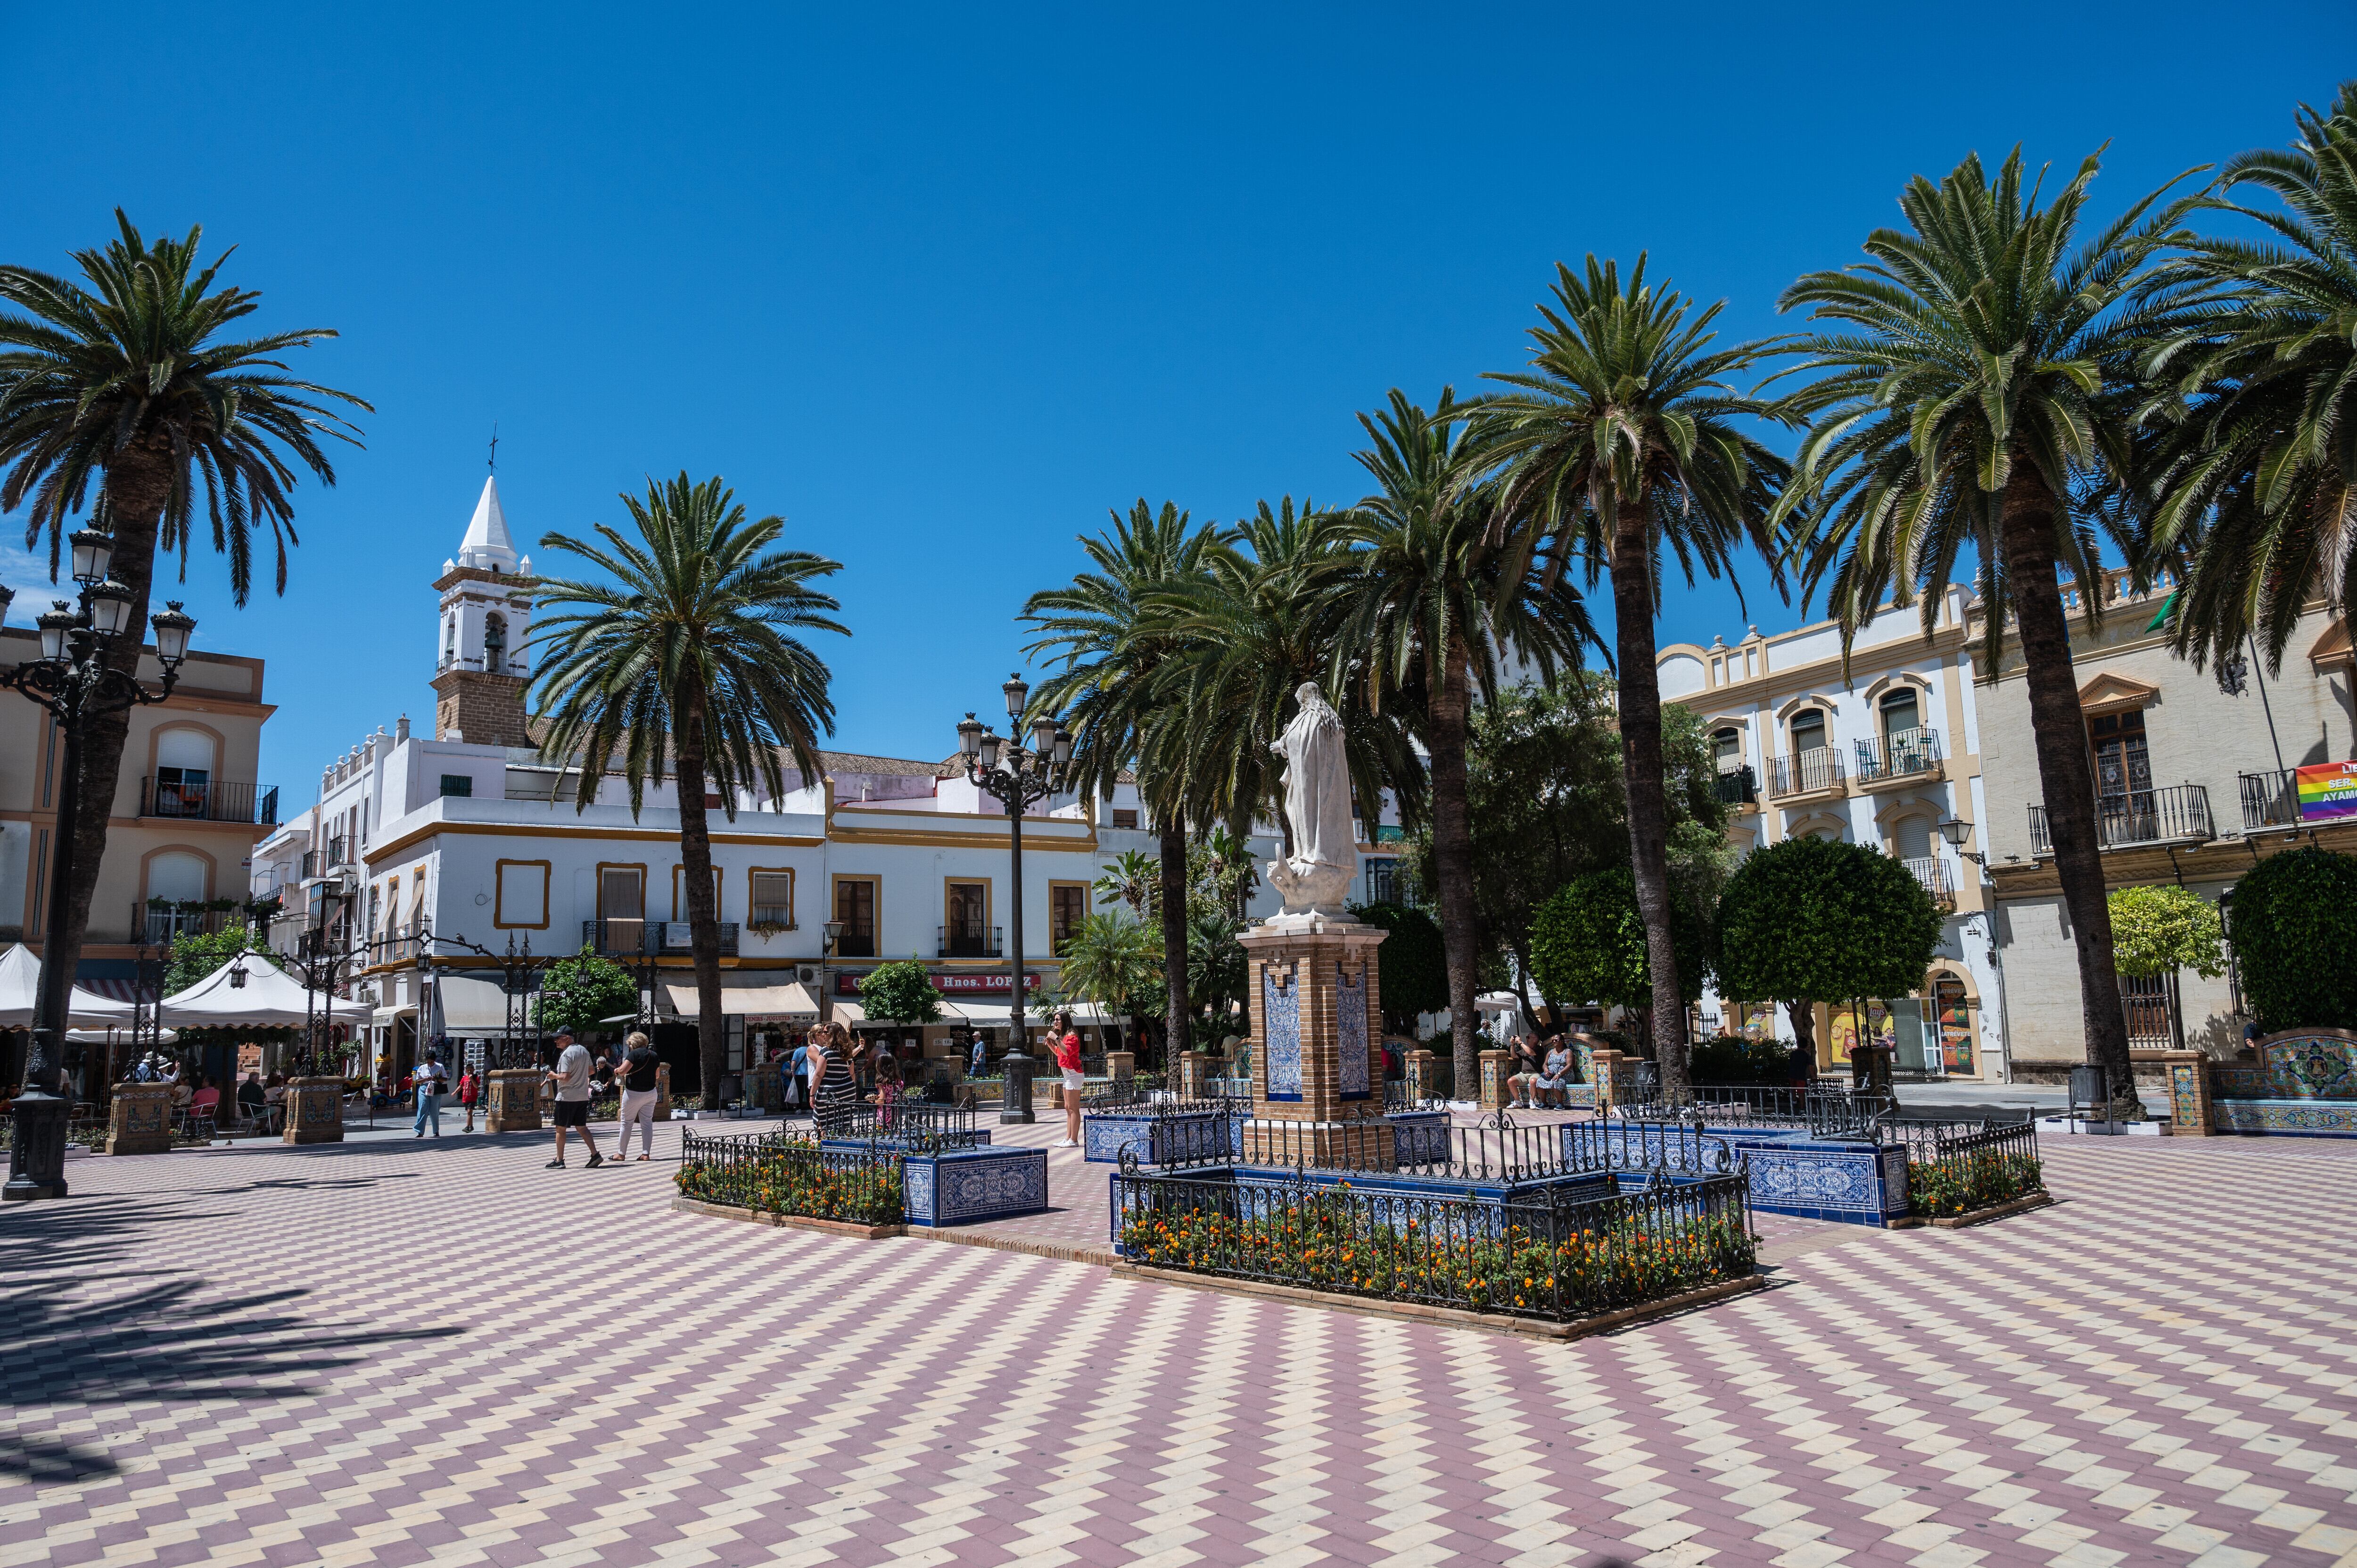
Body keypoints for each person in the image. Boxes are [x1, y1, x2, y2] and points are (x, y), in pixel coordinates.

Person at [544, 1028, 605, 1168]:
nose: (556, 1041)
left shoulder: (566, 1054)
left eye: (558, 1038)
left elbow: (565, 1077)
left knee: (560, 1129)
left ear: (567, 1038)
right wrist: (580, 1075)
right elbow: (591, 1070)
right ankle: (595, 1154)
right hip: (582, 1096)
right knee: (582, 1128)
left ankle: (559, 1160)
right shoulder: (583, 1050)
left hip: (566, 1096)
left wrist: (554, 1076)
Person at [614, 1030, 661, 1161]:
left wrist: (618, 1071)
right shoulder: (654, 1055)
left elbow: (623, 1071)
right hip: (651, 1093)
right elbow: (657, 1076)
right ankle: (646, 1154)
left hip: (633, 1093)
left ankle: (621, 1154)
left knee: (627, 1123)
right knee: (647, 1123)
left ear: (633, 1044)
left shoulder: (634, 1054)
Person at [811, 1021, 857, 1134]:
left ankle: (826, 1147)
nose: (823, 1035)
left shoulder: (826, 1052)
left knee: (822, 1122)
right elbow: (852, 1073)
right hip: (848, 1091)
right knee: (845, 1123)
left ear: (833, 1035)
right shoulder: (847, 1052)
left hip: (830, 1093)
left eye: (826, 1032)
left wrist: (812, 1094)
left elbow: (818, 1074)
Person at [1051, 1010, 1084, 1148]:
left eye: (1058, 1019)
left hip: (1074, 1074)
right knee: (1067, 1107)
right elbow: (1060, 1053)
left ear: (1065, 1020)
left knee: (1073, 1108)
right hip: (1067, 1075)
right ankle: (1068, 1138)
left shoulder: (1072, 1035)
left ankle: (1074, 1140)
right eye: (1055, 1020)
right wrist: (1051, 1044)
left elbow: (1068, 1052)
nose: (1055, 1022)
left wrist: (1056, 1039)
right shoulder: (1064, 1036)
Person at [413, 1051, 449, 1138]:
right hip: (424, 1089)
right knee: (423, 1108)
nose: (430, 1064)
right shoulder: (422, 1068)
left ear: (435, 1060)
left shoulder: (440, 1067)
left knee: (434, 1111)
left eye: (432, 1062)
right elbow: (417, 1081)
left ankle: (436, 1131)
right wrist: (426, 1079)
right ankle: (420, 1132)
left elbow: (445, 1079)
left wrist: (437, 1078)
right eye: (428, 1062)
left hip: (435, 1089)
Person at [1533, 1036, 1575, 1109]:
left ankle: (1560, 1104)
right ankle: (1544, 1103)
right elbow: (1545, 1064)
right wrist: (1546, 1069)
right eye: (1553, 1041)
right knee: (1539, 1081)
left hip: (1565, 1076)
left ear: (1562, 1041)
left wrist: (1559, 1074)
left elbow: (1570, 1065)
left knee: (1556, 1081)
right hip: (1551, 1076)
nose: (1554, 1042)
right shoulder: (1550, 1052)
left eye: (1556, 1040)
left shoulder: (1568, 1052)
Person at [869, 1056, 903, 1129]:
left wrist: (873, 1101)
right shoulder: (898, 1080)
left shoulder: (882, 1082)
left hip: (884, 1112)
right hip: (894, 1109)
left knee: (882, 1130)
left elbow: (882, 1100)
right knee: (891, 1130)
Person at [237, 1070, 267, 1135]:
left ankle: (260, 1127)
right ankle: (267, 1129)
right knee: (276, 1110)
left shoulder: (242, 1088)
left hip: (245, 1112)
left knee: (265, 1111)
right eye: (258, 1079)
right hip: (256, 1111)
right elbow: (265, 1099)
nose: (258, 1081)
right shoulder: (257, 1087)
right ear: (256, 1079)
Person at [457, 1065, 481, 1133]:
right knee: (469, 1113)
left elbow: (476, 1086)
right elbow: (461, 1086)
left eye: (471, 1070)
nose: (469, 1072)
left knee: (469, 1112)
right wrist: (455, 1092)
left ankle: (467, 1127)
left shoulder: (476, 1077)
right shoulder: (464, 1078)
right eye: (468, 1070)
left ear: (474, 1070)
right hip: (466, 1098)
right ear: (466, 1071)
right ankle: (471, 1126)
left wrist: (472, 1079)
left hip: (473, 1098)